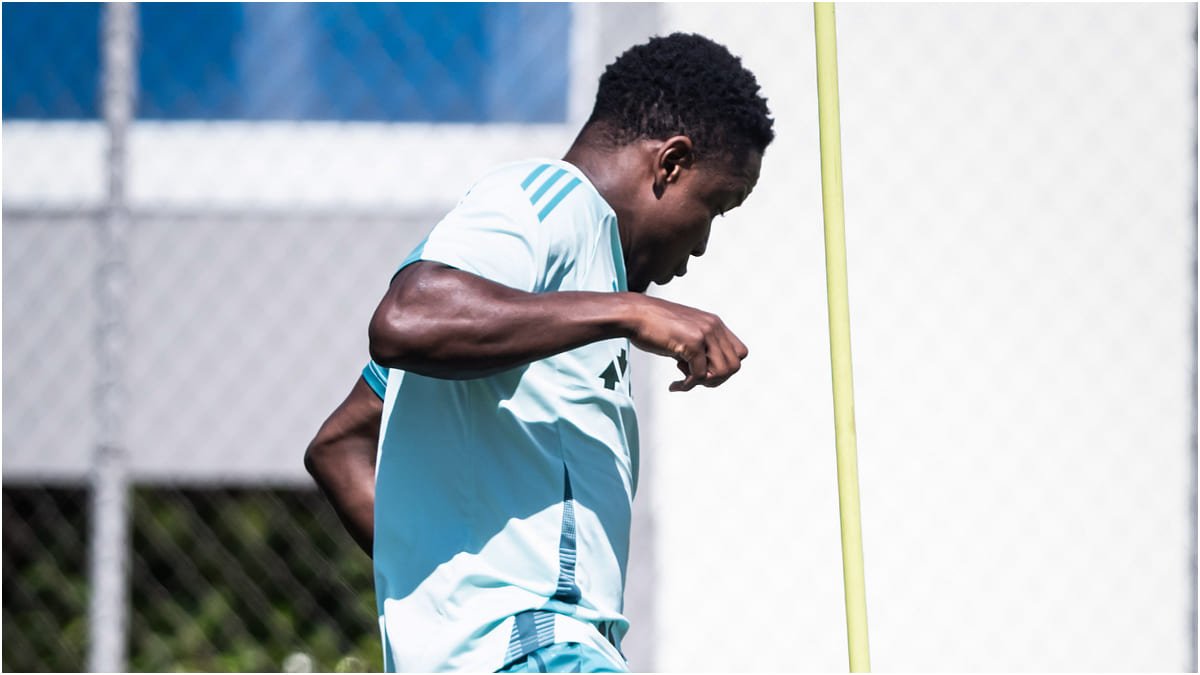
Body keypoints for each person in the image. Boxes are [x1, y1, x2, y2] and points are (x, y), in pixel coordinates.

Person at [306, 32, 774, 672]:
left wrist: (449, 593)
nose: (701, 245)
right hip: (537, 645)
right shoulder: (553, 202)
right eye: (715, 206)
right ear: (671, 163)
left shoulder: (557, 294)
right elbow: (407, 317)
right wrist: (630, 311)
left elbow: (340, 446)